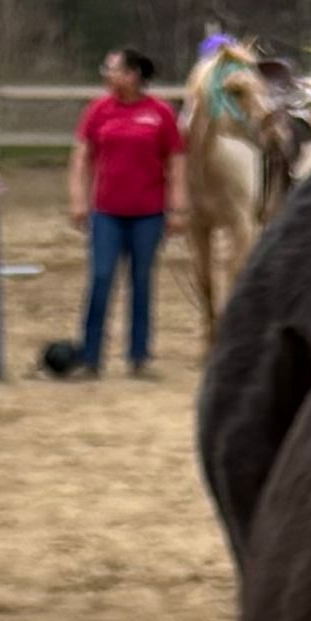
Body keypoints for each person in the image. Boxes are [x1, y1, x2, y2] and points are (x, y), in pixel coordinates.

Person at [68, 42, 183, 373]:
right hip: (106, 212)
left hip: (148, 213)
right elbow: (81, 158)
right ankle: (90, 356)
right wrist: (79, 200)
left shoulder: (160, 113)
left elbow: (176, 162)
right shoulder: (98, 110)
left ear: (132, 75)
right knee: (101, 278)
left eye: (113, 69)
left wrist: (177, 208)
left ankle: (139, 356)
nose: (107, 75)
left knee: (141, 281)